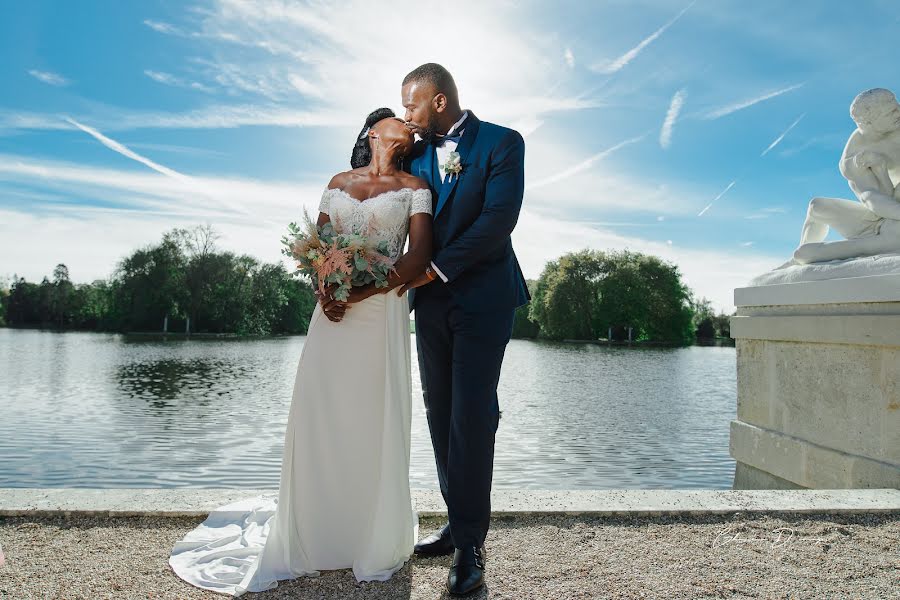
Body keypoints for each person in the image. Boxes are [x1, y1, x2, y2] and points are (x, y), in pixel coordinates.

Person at [168, 108, 434, 596]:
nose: (407, 122)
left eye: (411, 122)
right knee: (321, 413)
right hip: (331, 315)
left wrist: (357, 293)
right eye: (398, 116)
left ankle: (367, 534)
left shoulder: (417, 186)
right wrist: (326, 291)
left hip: (380, 314)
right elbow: (319, 248)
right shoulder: (336, 181)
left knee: (372, 416)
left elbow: (417, 257)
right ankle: (315, 531)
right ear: (374, 131)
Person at [396, 63, 530, 596]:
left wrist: (435, 268)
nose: (407, 114)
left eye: (412, 105)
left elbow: (499, 219)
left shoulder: (503, 142)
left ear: (439, 102)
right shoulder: (416, 152)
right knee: (440, 412)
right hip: (429, 305)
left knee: (473, 416)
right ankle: (457, 522)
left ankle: (472, 545)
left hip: (484, 297)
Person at [793, 87, 900, 264]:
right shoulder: (854, 157)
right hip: (882, 215)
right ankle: (799, 265)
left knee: (805, 253)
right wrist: (881, 170)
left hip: (892, 216)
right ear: (869, 122)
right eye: (892, 111)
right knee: (816, 206)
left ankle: (810, 256)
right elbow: (873, 199)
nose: (899, 110)